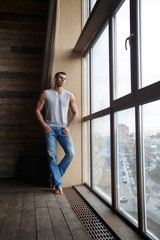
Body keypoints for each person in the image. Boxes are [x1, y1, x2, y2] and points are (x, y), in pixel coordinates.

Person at [35, 72, 78, 195]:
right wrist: (44, 125)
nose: (63, 80)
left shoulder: (69, 95)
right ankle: (58, 185)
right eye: (61, 78)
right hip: (50, 129)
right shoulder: (46, 93)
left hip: (63, 129)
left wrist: (69, 127)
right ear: (55, 78)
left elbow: (76, 113)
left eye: (65, 78)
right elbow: (37, 110)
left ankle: (53, 178)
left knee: (70, 153)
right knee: (52, 157)